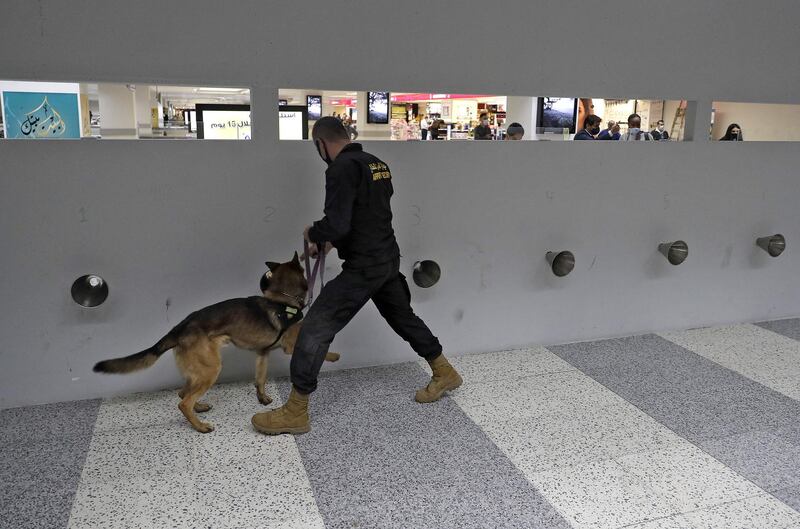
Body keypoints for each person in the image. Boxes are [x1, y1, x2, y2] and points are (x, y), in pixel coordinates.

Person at [251, 117, 463, 435]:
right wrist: (329, 244)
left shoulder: (339, 169)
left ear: (321, 143)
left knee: (313, 331)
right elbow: (364, 218)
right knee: (403, 318)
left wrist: (315, 233)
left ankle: (295, 411)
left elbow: (337, 223)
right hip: (387, 259)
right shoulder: (377, 164)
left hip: (364, 267)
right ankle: (443, 370)